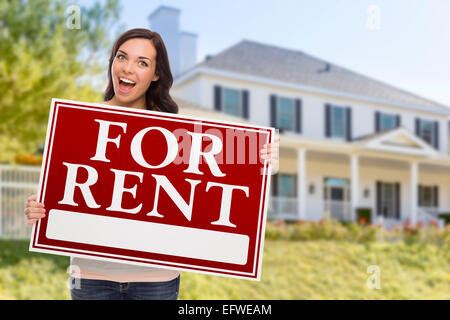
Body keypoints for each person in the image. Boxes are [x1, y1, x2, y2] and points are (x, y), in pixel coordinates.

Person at [25, 28, 279, 300]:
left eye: (142, 62)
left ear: (156, 74)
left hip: (155, 281)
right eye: (122, 57)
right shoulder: (78, 124)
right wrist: (39, 210)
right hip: (90, 278)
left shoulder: (175, 133)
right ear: (112, 62)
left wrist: (264, 162)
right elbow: (60, 199)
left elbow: (220, 177)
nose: (129, 68)